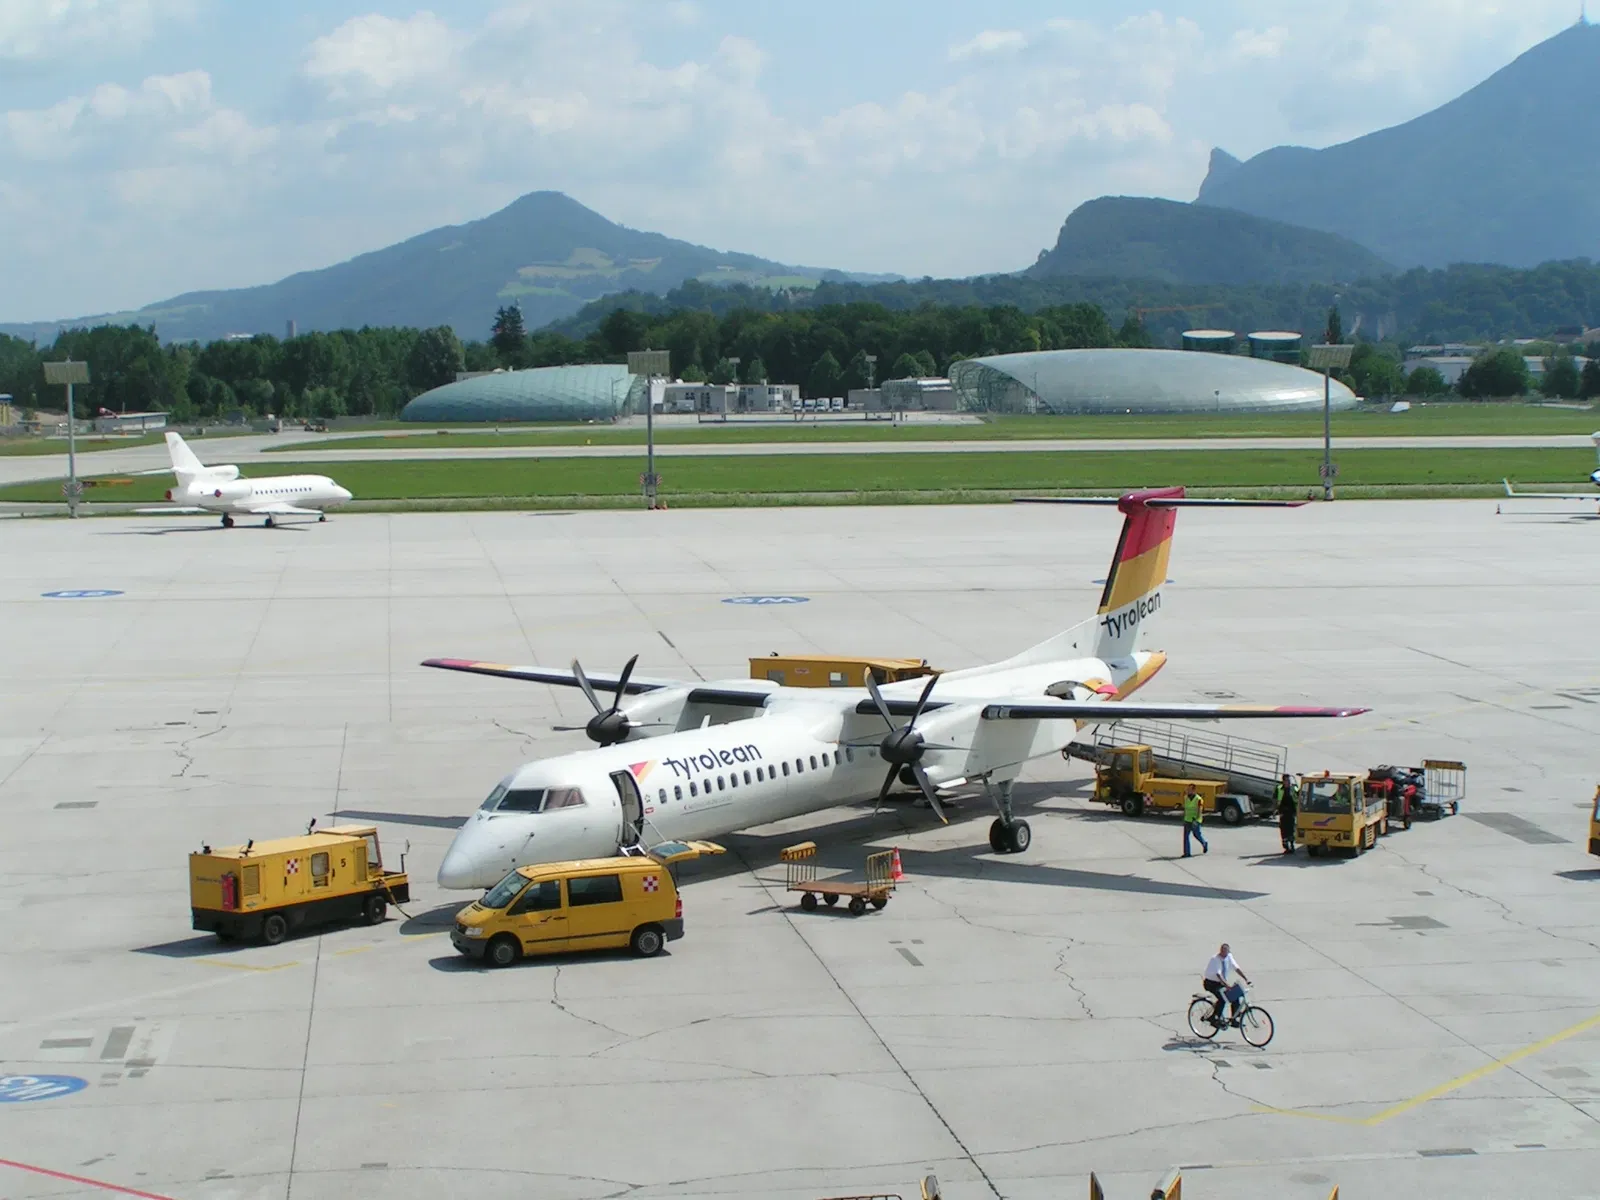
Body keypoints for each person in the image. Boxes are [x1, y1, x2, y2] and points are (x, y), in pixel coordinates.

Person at [1203, 943, 1251, 1026]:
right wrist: (1226, 985)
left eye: (1226, 952)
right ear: (1220, 951)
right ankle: (1214, 1018)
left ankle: (1234, 1019)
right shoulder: (1215, 959)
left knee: (1235, 995)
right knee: (1223, 999)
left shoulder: (1229, 956)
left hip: (1221, 983)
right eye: (1222, 952)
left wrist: (1246, 979)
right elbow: (1218, 974)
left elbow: (1236, 967)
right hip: (1211, 983)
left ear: (1228, 951)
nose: (1224, 954)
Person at [1182, 785, 1208, 857]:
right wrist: (1184, 817)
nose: (1187, 791)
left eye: (1189, 790)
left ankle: (1204, 843)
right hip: (1187, 819)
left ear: (1194, 791)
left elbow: (1200, 810)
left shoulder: (1198, 799)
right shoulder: (1185, 797)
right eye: (1187, 789)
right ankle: (1187, 853)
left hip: (1195, 820)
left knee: (1196, 835)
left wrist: (1196, 820)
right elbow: (1185, 808)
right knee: (1186, 836)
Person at [1277, 773, 1298, 854]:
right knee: (1283, 830)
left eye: (1289, 780)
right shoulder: (1279, 788)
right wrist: (1278, 811)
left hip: (1291, 812)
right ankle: (1286, 847)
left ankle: (1292, 845)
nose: (1288, 782)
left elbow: (1299, 796)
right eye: (1286, 780)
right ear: (1283, 781)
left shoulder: (1294, 788)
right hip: (1283, 812)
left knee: (1291, 829)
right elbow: (1276, 799)